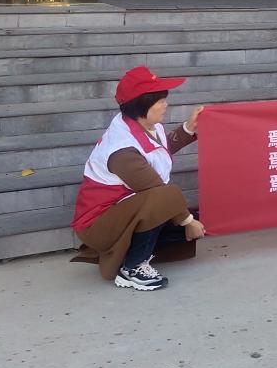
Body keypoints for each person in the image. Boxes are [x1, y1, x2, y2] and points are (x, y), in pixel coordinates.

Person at [71, 66, 205, 290]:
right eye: (160, 101)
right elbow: (157, 190)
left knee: (180, 212)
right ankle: (132, 267)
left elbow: (158, 150)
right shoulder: (121, 149)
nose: (166, 105)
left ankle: (129, 253)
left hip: (120, 211)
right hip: (99, 225)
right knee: (168, 199)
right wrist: (189, 222)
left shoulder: (143, 125)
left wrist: (188, 128)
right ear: (141, 104)